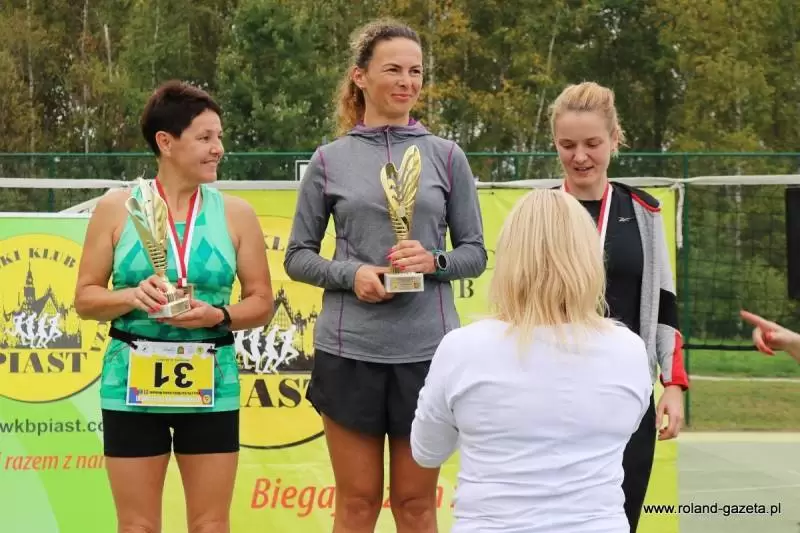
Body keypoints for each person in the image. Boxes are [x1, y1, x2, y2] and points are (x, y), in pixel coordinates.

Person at [283, 18, 487, 533]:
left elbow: (475, 254)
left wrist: (433, 261)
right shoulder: (329, 161)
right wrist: (352, 275)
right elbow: (298, 257)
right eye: (393, 69)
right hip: (350, 352)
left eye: (415, 71)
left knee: (416, 506)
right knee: (357, 504)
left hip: (427, 354)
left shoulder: (448, 156)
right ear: (360, 76)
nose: (407, 81)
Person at [74, 80, 274, 533]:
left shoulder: (236, 213)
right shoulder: (116, 208)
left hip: (212, 379)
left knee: (210, 525)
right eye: (205, 137)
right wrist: (131, 296)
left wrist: (219, 316)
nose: (218, 148)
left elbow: (262, 303)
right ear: (166, 142)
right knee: (137, 526)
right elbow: (85, 299)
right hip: (129, 381)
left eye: (219, 136)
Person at [410, 189, 653, 533]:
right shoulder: (629, 350)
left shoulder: (462, 349)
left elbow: (426, 451)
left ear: (509, 258)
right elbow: (626, 427)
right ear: (589, 257)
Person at [548, 81, 690, 532]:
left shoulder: (644, 212)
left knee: (620, 520)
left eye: (592, 143)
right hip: (552, 394)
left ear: (614, 139)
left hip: (626, 395)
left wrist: (673, 385)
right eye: (567, 145)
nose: (580, 156)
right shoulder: (542, 211)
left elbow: (664, 303)